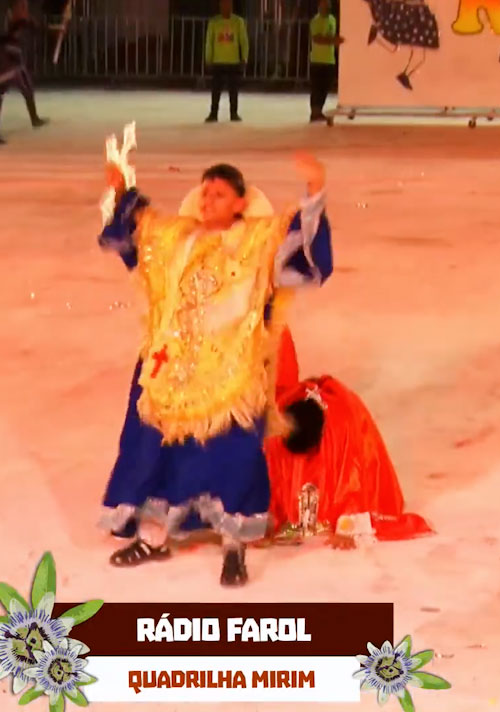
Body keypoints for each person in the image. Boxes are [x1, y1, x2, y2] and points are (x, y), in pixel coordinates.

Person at [97, 152, 333, 587]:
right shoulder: (177, 236)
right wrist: (120, 191)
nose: (208, 200)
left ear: (241, 203)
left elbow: (302, 244)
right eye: (205, 193)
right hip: (172, 365)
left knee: (232, 455)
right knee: (154, 447)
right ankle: (153, 536)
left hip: (231, 368)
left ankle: (233, 546)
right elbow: (139, 229)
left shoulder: (258, 240)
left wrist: (314, 190)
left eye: (219, 194)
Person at [263, 329, 434, 548]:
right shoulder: (277, 421)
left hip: (343, 427)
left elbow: (351, 481)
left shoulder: (342, 429)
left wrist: (348, 526)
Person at [0, 2, 47, 145]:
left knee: (23, 90)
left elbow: (38, 31)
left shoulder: (24, 22)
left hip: (16, 62)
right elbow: (5, 40)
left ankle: (34, 118)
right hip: (10, 63)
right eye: (21, 7)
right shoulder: (11, 23)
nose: (24, 10)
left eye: (25, 7)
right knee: (1, 92)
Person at [204, 0, 248, 123]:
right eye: (223, 4)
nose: (226, 6)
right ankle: (213, 113)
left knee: (233, 90)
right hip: (218, 60)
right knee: (215, 90)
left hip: (233, 61)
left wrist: (244, 57)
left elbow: (243, 41)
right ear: (220, 6)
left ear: (232, 5)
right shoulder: (214, 22)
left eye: (228, 4)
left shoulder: (238, 22)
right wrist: (208, 58)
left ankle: (234, 113)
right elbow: (209, 41)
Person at [308, 0, 344, 123]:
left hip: (330, 60)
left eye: (328, 5)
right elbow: (317, 39)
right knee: (316, 87)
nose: (327, 7)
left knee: (325, 87)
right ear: (319, 6)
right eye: (324, 5)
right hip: (317, 60)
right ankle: (314, 112)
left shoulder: (332, 19)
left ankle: (318, 111)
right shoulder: (315, 21)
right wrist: (333, 41)